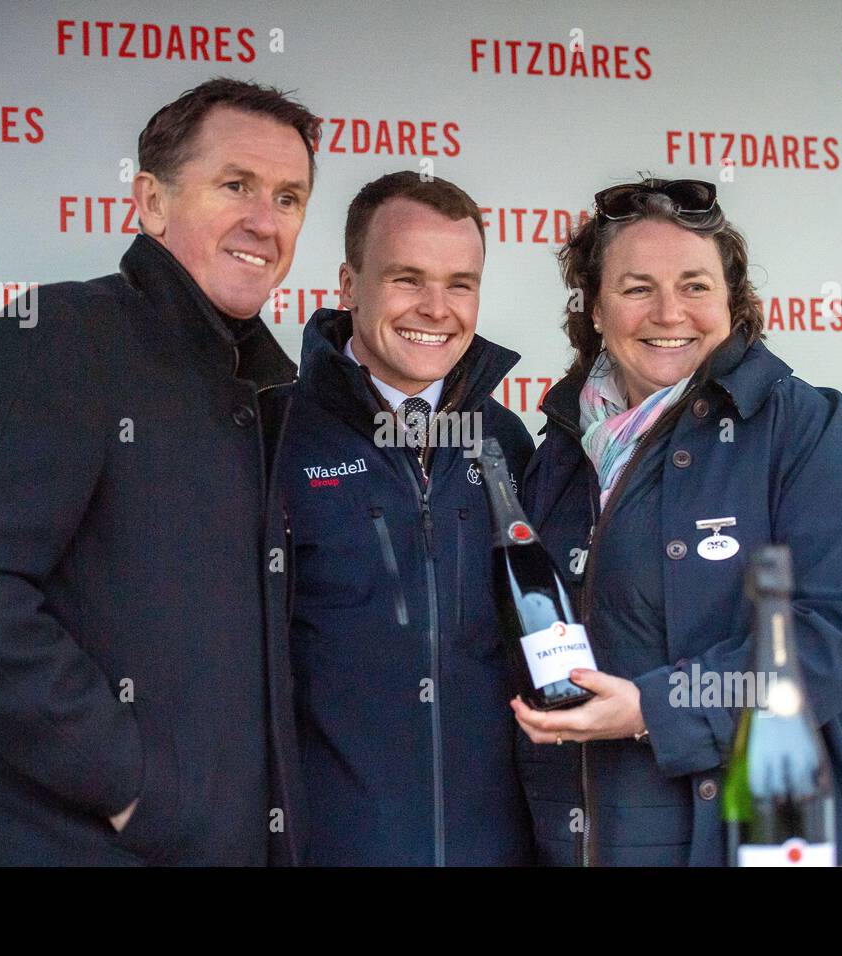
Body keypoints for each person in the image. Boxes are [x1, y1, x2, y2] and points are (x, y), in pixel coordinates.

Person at [0, 78, 320, 865]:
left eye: (290, 197)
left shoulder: (270, 392)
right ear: (152, 203)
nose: (265, 222)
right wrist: (130, 788)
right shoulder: (62, 337)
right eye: (236, 186)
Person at [511, 178, 842, 866]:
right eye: (636, 289)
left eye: (695, 285)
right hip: (584, 838)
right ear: (596, 308)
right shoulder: (561, 449)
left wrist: (655, 711)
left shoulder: (800, 427)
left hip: (754, 836)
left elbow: (838, 631)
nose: (669, 313)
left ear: (732, 303)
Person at [281, 172, 535, 865]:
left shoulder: (505, 442)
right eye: (406, 279)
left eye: (460, 283)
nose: (436, 307)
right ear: (347, 284)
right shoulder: (275, 437)